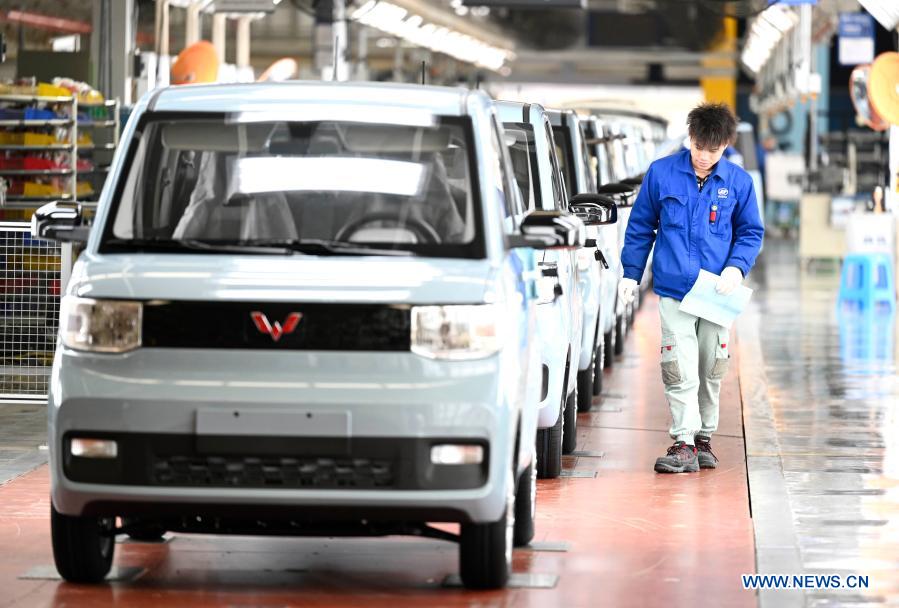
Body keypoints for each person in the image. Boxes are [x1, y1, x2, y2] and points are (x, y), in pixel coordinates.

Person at [618, 103, 765, 474]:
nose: (703, 156)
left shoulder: (738, 183)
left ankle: (703, 440)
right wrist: (630, 274)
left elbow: (751, 232)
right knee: (678, 366)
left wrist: (737, 267)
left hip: (717, 293)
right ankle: (682, 441)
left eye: (712, 150)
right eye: (699, 146)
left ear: (726, 146)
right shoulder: (661, 174)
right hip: (674, 290)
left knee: (711, 366)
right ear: (690, 138)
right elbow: (640, 227)